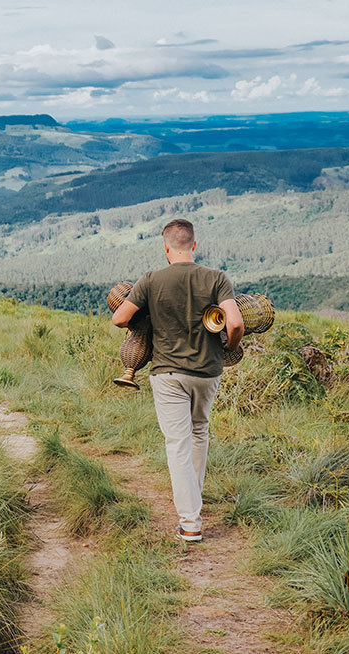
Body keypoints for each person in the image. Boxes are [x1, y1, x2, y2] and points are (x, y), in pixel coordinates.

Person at [111, 219, 243, 543]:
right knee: (199, 434)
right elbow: (236, 322)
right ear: (194, 245)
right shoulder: (216, 278)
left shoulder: (151, 279)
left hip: (168, 373)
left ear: (166, 247)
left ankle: (190, 523)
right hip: (208, 371)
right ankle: (192, 505)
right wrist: (232, 345)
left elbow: (120, 317)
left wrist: (142, 320)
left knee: (178, 444)